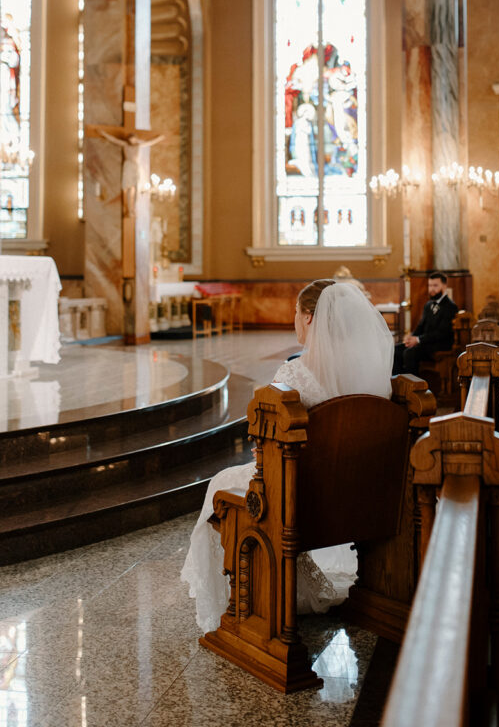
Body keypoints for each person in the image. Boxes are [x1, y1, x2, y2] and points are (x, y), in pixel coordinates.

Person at [181, 278, 394, 634]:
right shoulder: (370, 371)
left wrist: (263, 449)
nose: (293, 319)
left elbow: (265, 444)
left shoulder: (293, 374)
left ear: (310, 317)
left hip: (303, 501)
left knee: (220, 487)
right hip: (366, 496)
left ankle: (247, 602)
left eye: (295, 312)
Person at [393, 271, 458, 375]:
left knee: (410, 353)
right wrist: (411, 338)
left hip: (440, 344)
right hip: (426, 342)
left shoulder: (450, 307)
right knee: (395, 350)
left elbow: (442, 333)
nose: (431, 289)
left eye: (435, 285)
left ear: (444, 286)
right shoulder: (428, 305)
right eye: (429, 285)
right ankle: (399, 383)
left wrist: (418, 340)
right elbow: (421, 326)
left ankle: (414, 386)